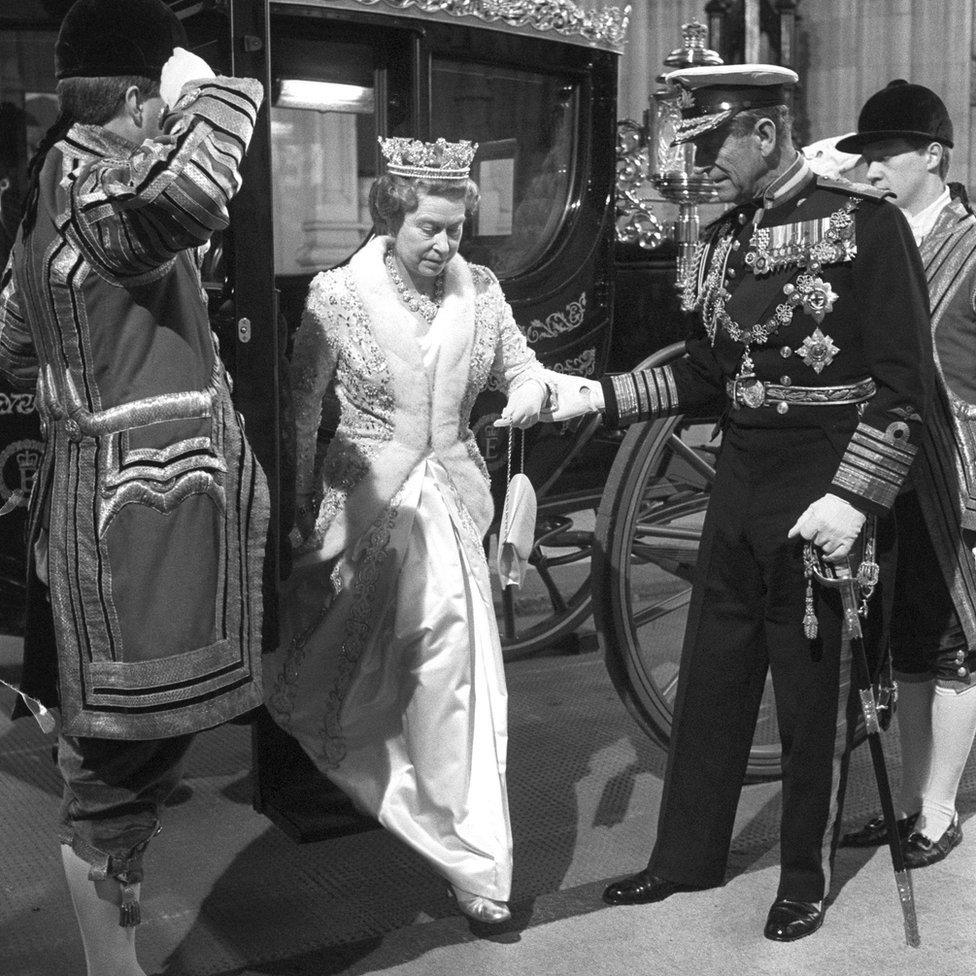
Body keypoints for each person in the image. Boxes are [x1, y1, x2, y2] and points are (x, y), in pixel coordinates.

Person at [548, 64, 934, 941]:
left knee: (809, 692)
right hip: (742, 481)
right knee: (715, 680)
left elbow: (905, 388)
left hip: (822, 485)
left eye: (713, 142)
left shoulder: (864, 228)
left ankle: (805, 875)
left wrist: (855, 495)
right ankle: (685, 857)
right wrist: (600, 398)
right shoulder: (719, 241)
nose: (702, 164)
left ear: (765, 132)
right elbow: (707, 376)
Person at [0, 2, 268, 973]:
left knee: (129, 764)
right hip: (138, 525)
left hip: (100, 507)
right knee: (114, 770)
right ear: (126, 98)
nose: (164, 120)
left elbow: (14, 347)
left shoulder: (52, 190)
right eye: (155, 101)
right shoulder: (100, 188)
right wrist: (210, 85)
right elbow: (198, 184)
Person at [264, 136, 550, 924]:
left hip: (453, 512)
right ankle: (405, 800)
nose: (445, 244)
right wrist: (292, 517)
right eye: (429, 227)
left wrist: (525, 390)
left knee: (455, 676)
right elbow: (298, 413)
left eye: (456, 228)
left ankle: (472, 857)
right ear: (391, 215)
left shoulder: (482, 291)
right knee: (355, 677)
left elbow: (520, 365)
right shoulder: (337, 295)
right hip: (362, 509)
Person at [837, 82, 976, 868]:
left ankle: (938, 809)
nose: (872, 171)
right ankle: (916, 800)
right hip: (879, 474)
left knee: (954, 642)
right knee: (902, 649)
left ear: (933, 155)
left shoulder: (971, 245)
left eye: (887, 156)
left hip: (956, 477)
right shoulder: (866, 241)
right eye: (866, 159)